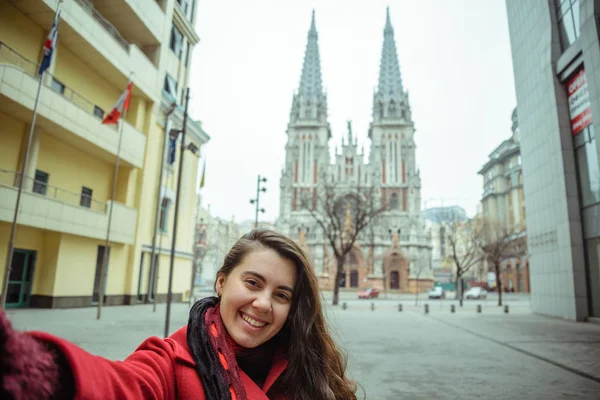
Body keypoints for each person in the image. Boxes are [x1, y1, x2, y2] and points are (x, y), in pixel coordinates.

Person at [0, 229, 358, 399]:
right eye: (252, 283)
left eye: (281, 294)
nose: (263, 303)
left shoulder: (309, 365)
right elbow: (123, 386)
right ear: (221, 282)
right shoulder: (173, 360)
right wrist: (35, 369)